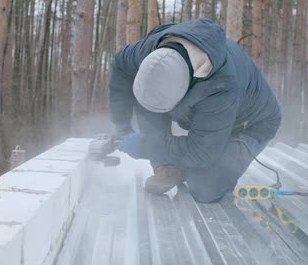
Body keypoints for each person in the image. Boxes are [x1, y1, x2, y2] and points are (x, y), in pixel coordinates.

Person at [109, 18, 281, 203]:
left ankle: (188, 169)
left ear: (184, 92)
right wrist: (121, 124)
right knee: (151, 99)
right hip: (205, 109)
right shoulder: (147, 50)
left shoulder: (222, 85)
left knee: (205, 189)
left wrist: (144, 145)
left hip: (248, 122)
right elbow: (121, 64)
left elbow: (202, 152)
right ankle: (168, 168)